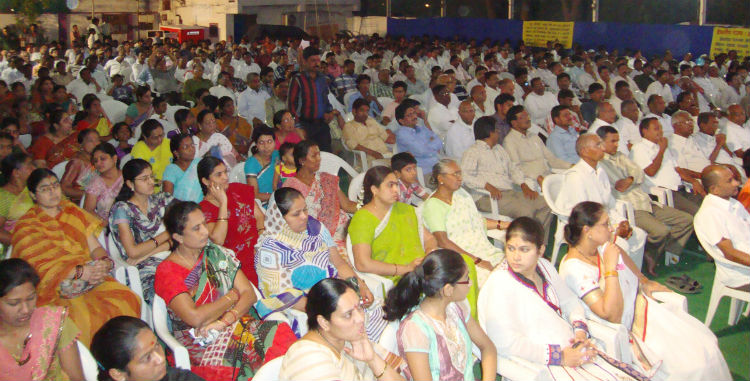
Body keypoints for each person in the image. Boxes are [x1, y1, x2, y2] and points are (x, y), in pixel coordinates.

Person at [559, 201, 731, 380]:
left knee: (706, 345)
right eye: (605, 224)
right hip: (627, 327)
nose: (611, 229)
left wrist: (644, 280)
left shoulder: (600, 246)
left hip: (641, 308)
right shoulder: (575, 269)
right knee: (691, 366)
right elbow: (612, 315)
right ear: (587, 231)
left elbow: (620, 255)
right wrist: (610, 268)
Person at [478, 217, 642, 380]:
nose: (516, 257)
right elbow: (504, 342)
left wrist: (579, 332)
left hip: (570, 346)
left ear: (540, 250)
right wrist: (560, 356)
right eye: (511, 248)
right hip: (541, 362)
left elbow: (570, 302)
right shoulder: (499, 282)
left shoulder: (545, 267)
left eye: (524, 250)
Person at [154, 201, 296, 381]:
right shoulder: (168, 271)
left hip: (234, 324)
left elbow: (249, 293)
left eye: (204, 224)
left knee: (282, 336)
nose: (206, 231)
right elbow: (195, 317)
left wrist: (226, 320)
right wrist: (232, 297)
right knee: (253, 360)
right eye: (196, 228)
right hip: (199, 342)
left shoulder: (215, 253)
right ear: (179, 237)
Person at [11, 168, 140, 345]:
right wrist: (78, 272)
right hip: (53, 288)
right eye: (45, 188)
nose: (52, 192)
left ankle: (123, 354)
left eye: (55, 186)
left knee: (127, 298)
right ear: (33, 195)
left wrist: (104, 263)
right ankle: (92, 365)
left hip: (90, 278)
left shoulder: (72, 212)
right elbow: (34, 269)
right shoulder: (27, 226)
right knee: (82, 318)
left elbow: (95, 247)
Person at [254, 188, 387, 339]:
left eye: (305, 209)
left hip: (334, 295)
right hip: (305, 309)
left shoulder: (315, 228)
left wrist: (359, 285)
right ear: (280, 218)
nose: (304, 216)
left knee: (384, 318)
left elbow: (338, 263)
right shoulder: (270, 248)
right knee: (355, 327)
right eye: (296, 214)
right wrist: (326, 309)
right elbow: (280, 294)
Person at [384, 249, 497, 381]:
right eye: (466, 279)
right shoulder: (416, 329)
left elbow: (488, 347)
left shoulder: (456, 308)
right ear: (448, 289)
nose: (470, 283)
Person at [597, 126, 694, 276]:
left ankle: (658, 253)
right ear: (601, 142)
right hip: (630, 207)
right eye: (613, 141)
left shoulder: (621, 156)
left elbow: (639, 174)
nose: (616, 144)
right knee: (661, 231)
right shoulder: (600, 163)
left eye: (617, 141)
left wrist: (630, 179)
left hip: (646, 201)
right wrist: (628, 181)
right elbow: (617, 187)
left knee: (686, 220)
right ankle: (651, 253)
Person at [279, 278, 406, 381]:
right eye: (348, 315)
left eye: (359, 308)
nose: (360, 319)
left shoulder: (349, 338)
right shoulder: (308, 358)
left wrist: (372, 359)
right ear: (324, 322)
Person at [460, 117, 554, 234]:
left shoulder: (499, 149)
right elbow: (464, 176)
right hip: (486, 197)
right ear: (490, 132)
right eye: (497, 130)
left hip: (509, 192)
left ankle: (538, 243)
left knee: (545, 203)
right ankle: (525, 243)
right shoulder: (472, 151)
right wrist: (487, 185)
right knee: (526, 211)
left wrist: (523, 184)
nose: (499, 132)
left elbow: (512, 168)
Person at [0, 258, 84, 381]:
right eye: (13, 303)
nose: (25, 309)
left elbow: (76, 378)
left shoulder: (54, 323)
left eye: (31, 298)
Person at [422, 159, 508, 278]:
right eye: (455, 174)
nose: (460, 178)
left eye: (460, 173)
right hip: (460, 258)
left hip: (482, 249)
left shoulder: (461, 194)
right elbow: (442, 241)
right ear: (440, 178)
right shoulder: (433, 206)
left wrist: (503, 224)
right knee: (496, 279)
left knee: (515, 268)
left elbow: (476, 221)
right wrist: (477, 261)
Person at [108, 159, 173, 305]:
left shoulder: (162, 200)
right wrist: (167, 235)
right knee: (168, 287)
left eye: (151, 176)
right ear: (130, 184)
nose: (151, 182)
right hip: (144, 267)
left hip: (166, 255)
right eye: (144, 179)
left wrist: (150, 251)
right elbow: (133, 252)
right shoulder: (122, 209)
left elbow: (182, 230)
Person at [198, 156, 264, 285]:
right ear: (206, 181)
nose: (225, 177)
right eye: (219, 175)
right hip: (234, 264)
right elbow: (218, 239)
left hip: (258, 252)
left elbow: (259, 217)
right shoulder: (203, 209)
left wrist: (261, 242)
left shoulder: (238, 190)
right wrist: (223, 202)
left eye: (225, 172)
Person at [283, 140, 357, 248]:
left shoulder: (326, 178)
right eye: (314, 156)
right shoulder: (291, 186)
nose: (319, 159)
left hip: (345, 228)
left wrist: (370, 206)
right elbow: (294, 221)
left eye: (319, 155)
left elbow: (346, 205)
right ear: (302, 160)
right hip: (317, 237)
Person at [91, 316, 205, 381]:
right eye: (147, 357)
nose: (160, 359)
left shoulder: (172, 377)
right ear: (118, 374)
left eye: (157, 345)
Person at [694, 164, 750, 285]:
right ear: (715, 189)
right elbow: (730, 253)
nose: (737, 183)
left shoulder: (733, 203)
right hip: (742, 274)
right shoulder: (710, 214)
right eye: (730, 181)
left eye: (734, 178)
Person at [288, 46, 335, 152]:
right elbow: (291, 105)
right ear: (304, 61)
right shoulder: (298, 79)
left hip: (322, 124)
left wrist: (329, 112)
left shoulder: (322, 79)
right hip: (305, 125)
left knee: (326, 156)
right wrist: (297, 126)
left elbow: (325, 99)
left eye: (318, 60)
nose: (316, 63)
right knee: (308, 156)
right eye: (313, 61)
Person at [394, 102, 442, 177]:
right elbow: (421, 151)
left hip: (437, 166)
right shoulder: (402, 134)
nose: (414, 116)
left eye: (414, 113)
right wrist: (431, 141)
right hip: (423, 172)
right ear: (401, 121)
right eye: (409, 115)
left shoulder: (421, 128)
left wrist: (428, 145)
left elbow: (439, 142)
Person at [0, 153, 33, 254]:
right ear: (16, 173)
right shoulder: (3, 197)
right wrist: (24, 244)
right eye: (29, 165)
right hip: (17, 249)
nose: (33, 168)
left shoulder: (32, 190)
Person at [83, 142, 123, 220]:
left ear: (114, 158)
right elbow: (88, 210)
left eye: (103, 159)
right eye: (95, 161)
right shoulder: (95, 183)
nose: (98, 163)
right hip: (106, 226)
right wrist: (108, 225)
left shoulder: (128, 176)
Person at [60, 128, 100, 203]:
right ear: (81, 145)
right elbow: (64, 188)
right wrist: (89, 195)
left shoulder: (98, 161)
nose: (96, 144)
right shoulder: (77, 162)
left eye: (97, 140)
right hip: (80, 203)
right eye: (90, 141)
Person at [162, 133, 202, 202]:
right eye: (186, 147)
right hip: (181, 209)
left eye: (192, 145)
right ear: (176, 153)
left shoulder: (199, 163)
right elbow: (167, 198)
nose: (191, 149)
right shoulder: (171, 170)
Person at [244, 124, 278, 202]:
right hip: (264, 205)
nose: (266, 146)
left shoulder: (277, 155)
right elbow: (255, 195)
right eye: (261, 143)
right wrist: (278, 197)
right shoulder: (251, 163)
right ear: (256, 145)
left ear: (274, 142)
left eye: (269, 141)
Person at [131, 119, 172, 184]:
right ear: (145, 137)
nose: (160, 139)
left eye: (161, 135)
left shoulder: (167, 143)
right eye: (155, 138)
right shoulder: (139, 150)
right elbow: (140, 177)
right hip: (152, 187)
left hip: (171, 182)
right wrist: (160, 183)